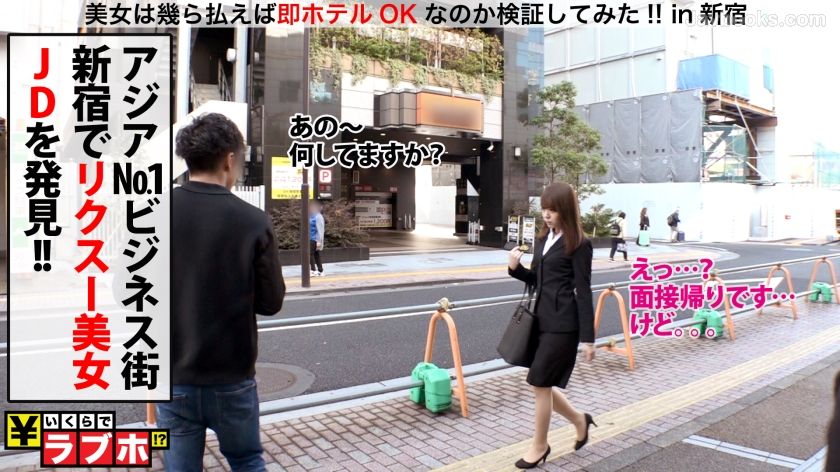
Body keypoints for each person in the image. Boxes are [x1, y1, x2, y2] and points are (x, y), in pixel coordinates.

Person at [161, 113, 286, 472]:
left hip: (173, 375)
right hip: (232, 376)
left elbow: (126, 292)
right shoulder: (252, 220)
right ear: (229, 159)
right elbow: (271, 302)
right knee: (247, 461)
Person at [507, 182, 597, 469]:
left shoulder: (580, 243)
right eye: (544, 209)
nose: (546, 215)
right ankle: (580, 420)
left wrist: (588, 338)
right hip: (542, 320)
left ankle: (540, 446)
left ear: (565, 210)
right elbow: (539, 280)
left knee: (539, 382)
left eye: (553, 210)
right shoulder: (545, 237)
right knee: (541, 383)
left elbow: (584, 291)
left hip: (564, 326)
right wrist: (515, 269)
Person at [309, 200, 326, 277]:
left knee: (310, 254)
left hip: (314, 239)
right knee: (316, 255)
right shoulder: (311, 216)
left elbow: (320, 230)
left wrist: (319, 241)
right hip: (310, 238)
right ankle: (320, 271)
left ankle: (313, 270)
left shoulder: (318, 216)